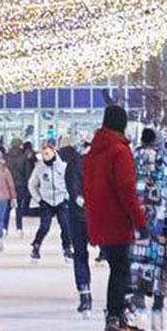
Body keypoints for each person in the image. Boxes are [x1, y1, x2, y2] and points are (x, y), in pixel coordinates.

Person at [81, 104, 147, 331]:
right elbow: (126, 190)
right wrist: (139, 222)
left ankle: (116, 316)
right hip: (117, 220)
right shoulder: (119, 151)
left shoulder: (93, 153)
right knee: (120, 269)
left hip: (98, 219)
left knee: (116, 268)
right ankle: (115, 319)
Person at [129, 128, 167, 331]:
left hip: (136, 224)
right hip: (161, 226)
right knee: (160, 268)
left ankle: (139, 310)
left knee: (136, 267)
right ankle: (157, 312)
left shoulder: (131, 161)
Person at [58, 133, 92, 313]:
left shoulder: (75, 164)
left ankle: (85, 294)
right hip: (101, 216)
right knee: (114, 255)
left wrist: (83, 203)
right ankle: (122, 295)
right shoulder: (104, 162)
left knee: (80, 254)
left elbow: (73, 191)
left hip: (79, 216)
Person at [27, 143, 68, 260]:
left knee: (65, 225)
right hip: (46, 201)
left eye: (48, 153)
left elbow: (69, 182)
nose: (46, 156)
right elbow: (32, 185)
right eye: (44, 154)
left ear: (54, 152)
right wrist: (39, 200)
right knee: (44, 226)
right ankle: (36, 246)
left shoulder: (62, 167)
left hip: (61, 200)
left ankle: (67, 248)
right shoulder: (39, 168)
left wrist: (66, 196)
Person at [7, 138, 34, 235]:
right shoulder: (24, 157)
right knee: (18, 207)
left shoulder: (6, 157)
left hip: (8, 185)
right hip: (20, 185)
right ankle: (19, 228)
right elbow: (28, 173)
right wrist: (28, 185)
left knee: (7, 207)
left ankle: (4, 228)